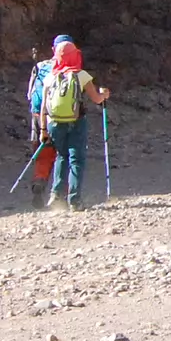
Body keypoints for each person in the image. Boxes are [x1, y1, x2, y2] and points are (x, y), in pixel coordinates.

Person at [42, 41, 111, 212]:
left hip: (54, 123)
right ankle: (74, 200)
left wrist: (43, 129)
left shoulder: (50, 76)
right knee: (76, 160)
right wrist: (104, 95)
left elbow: (43, 107)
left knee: (61, 157)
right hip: (76, 122)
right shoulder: (81, 75)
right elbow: (96, 99)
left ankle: (56, 195)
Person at [23, 37, 70, 207]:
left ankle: (39, 181)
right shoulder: (68, 69)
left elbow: (30, 93)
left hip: (37, 114)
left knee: (43, 153)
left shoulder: (40, 66)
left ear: (53, 49)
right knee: (63, 154)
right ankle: (61, 194)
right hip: (57, 116)